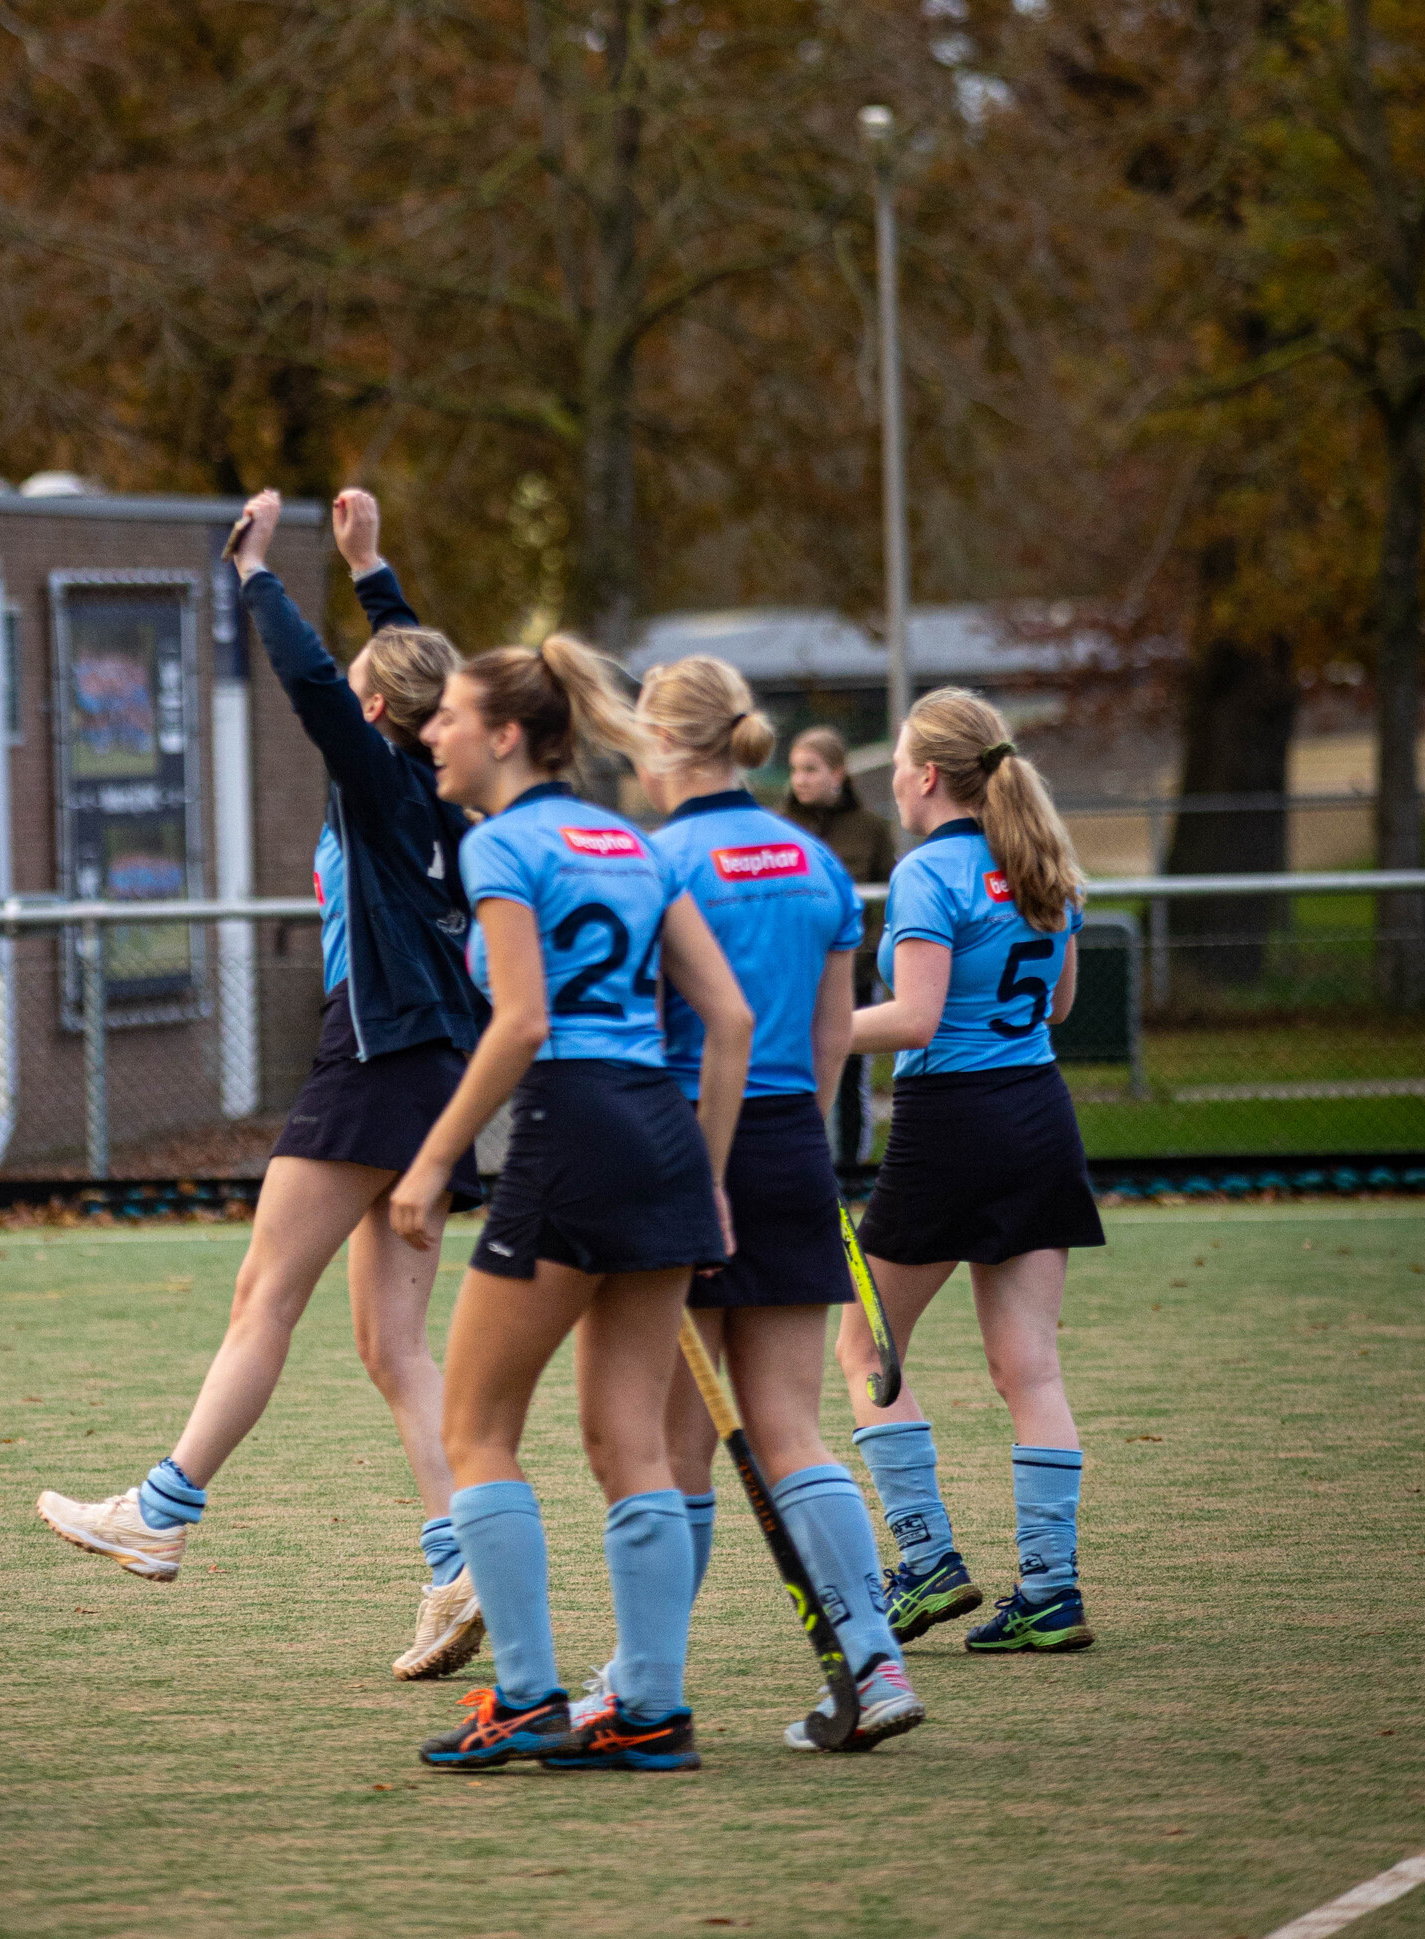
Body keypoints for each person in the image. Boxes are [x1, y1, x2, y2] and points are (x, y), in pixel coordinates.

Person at [37, 487, 490, 1682]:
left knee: (263, 1296)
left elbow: (316, 687)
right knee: (394, 1347)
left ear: (377, 710)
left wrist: (254, 573)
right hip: (441, 1066)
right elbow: (410, 673)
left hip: (378, 1055)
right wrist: (373, 570)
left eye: (364, 688)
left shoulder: (385, 781)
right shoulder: (449, 789)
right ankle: (460, 1559)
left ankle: (163, 1510)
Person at [391, 637, 755, 1776]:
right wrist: (704, 1174)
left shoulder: (500, 845)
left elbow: (522, 1023)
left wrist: (426, 1162)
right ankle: (648, 1707)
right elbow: (731, 1019)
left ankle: (526, 1698)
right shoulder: (636, 845)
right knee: (626, 1442)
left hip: (570, 1126)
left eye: (446, 716)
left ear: (505, 734)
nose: (429, 734)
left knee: (475, 1428)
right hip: (656, 1125)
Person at [619, 659, 923, 1753]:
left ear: (663, 746)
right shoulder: (816, 861)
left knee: (669, 1444)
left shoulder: (656, 862)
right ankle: (875, 1660)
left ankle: (640, 1684)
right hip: (796, 1141)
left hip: (692, 1144)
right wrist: (803, 1147)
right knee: (792, 1426)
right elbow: (835, 1037)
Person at [835, 687, 1104, 1655]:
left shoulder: (925, 873)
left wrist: (795, 1034)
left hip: (950, 1123)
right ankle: (1051, 1592)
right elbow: (1058, 1007)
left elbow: (911, 1019)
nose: (894, 780)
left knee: (866, 1352)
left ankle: (926, 1561)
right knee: (1028, 1366)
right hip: (1037, 1115)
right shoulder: (1040, 860)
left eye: (899, 763)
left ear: (926, 777)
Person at [786, 726, 897, 1177]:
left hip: (852, 974)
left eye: (811, 770)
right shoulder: (781, 829)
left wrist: (868, 954)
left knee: (849, 1070)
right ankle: (798, 1163)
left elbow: (885, 899)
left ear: (838, 773)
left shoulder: (871, 829)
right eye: (795, 771)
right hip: (794, 971)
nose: (801, 780)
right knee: (793, 1068)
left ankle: (850, 1168)